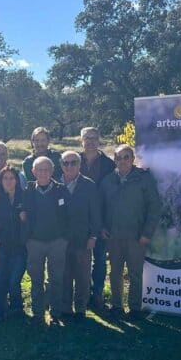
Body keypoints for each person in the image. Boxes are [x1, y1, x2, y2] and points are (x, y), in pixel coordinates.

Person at [100, 145, 163, 321]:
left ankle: (135, 308)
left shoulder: (144, 178)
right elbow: (100, 207)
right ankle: (117, 306)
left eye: (126, 157)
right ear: (114, 160)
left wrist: (147, 233)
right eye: (118, 158)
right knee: (115, 273)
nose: (122, 161)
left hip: (136, 237)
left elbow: (154, 207)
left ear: (132, 159)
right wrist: (102, 227)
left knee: (135, 274)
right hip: (114, 237)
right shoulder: (107, 181)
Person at [22, 156, 68, 325]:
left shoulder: (61, 190)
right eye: (39, 170)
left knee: (56, 279)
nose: (43, 173)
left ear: (52, 171)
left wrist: (64, 238)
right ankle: (38, 313)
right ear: (33, 171)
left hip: (57, 242)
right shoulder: (28, 190)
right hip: (34, 242)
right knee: (36, 280)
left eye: (46, 170)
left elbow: (68, 215)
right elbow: (22, 210)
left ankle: (55, 314)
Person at [60, 150, 101, 319]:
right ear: (61, 165)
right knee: (64, 276)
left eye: (73, 162)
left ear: (79, 165)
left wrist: (93, 236)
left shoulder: (89, 185)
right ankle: (65, 308)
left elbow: (96, 213)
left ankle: (80, 309)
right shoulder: (56, 184)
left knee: (83, 277)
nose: (69, 166)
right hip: (61, 240)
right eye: (66, 163)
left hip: (83, 239)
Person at [78, 127, 115, 311]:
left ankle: (97, 294)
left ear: (99, 140)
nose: (91, 141)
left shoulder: (109, 164)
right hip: (78, 220)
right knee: (78, 258)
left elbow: (111, 197)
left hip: (101, 220)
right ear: (81, 140)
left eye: (94, 138)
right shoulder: (73, 160)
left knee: (99, 259)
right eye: (87, 138)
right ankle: (80, 294)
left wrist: (104, 224)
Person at [0, 166, 27, 324]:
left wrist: (25, 219)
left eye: (12, 178)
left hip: (20, 249)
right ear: (1, 181)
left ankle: (16, 308)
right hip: (2, 249)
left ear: (17, 181)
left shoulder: (25, 199)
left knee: (13, 281)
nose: (8, 181)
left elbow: (32, 224)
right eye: (5, 178)